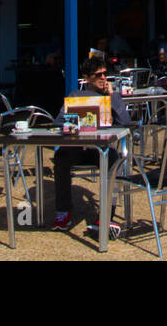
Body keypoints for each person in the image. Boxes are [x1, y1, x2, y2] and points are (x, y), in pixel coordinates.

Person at [52, 56, 133, 232]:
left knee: (114, 159)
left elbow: (126, 122)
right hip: (79, 147)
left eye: (105, 74)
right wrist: (72, 122)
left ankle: (105, 216)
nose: (103, 78)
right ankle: (63, 211)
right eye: (98, 75)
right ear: (87, 78)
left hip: (101, 149)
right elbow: (58, 122)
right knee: (61, 157)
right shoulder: (76, 95)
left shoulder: (111, 96)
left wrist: (113, 97)